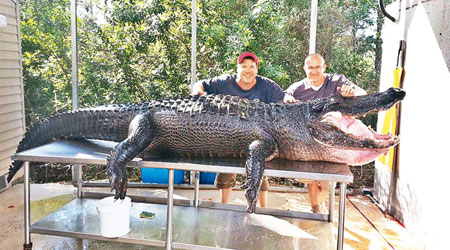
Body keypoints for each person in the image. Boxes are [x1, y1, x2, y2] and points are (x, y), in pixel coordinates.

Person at [191, 52, 285, 208]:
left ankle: (263, 208)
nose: (247, 70)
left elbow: (284, 97)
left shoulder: (267, 85)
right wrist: (197, 91)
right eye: (244, 66)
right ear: (237, 68)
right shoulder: (224, 82)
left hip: (258, 138)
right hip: (229, 138)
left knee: (260, 172)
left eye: (251, 66)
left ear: (256, 69)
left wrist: (288, 98)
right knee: (225, 173)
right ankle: (224, 206)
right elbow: (200, 85)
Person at [284, 53, 367, 213]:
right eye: (310, 67)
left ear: (324, 67)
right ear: (304, 69)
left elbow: (362, 93)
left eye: (317, 67)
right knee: (310, 177)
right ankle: (316, 209)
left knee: (328, 182)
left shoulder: (337, 81)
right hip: (309, 141)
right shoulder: (297, 88)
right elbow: (282, 99)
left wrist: (352, 93)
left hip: (332, 141)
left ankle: (318, 207)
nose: (314, 71)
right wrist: (287, 99)